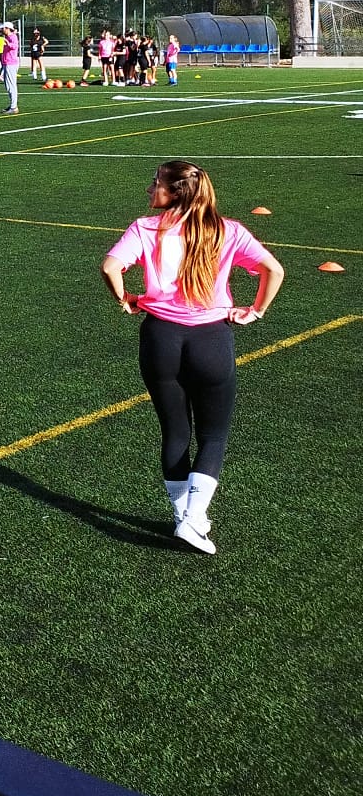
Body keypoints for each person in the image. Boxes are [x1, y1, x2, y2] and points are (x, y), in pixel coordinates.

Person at [100, 160, 285, 554]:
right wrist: (255, 310)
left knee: (175, 432)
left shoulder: (144, 228)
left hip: (160, 338)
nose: (150, 190)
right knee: (213, 434)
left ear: (175, 192)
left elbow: (111, 266)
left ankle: (186, 517)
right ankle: (193, 517)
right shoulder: (227, 230)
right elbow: (274, 269)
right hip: (211, 340)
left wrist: (126, 299)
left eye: (156, 184)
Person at [0, 20, 21, 115]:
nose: (2, 30)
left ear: (8, 28)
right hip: (6, 63)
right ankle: (12, 105)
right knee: (8, 86)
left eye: (4, 28)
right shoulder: (7, 37)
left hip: (11, 63)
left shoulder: (13, 37)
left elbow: (15, 46)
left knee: (11, 86)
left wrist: (8, 43)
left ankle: (13, 107)